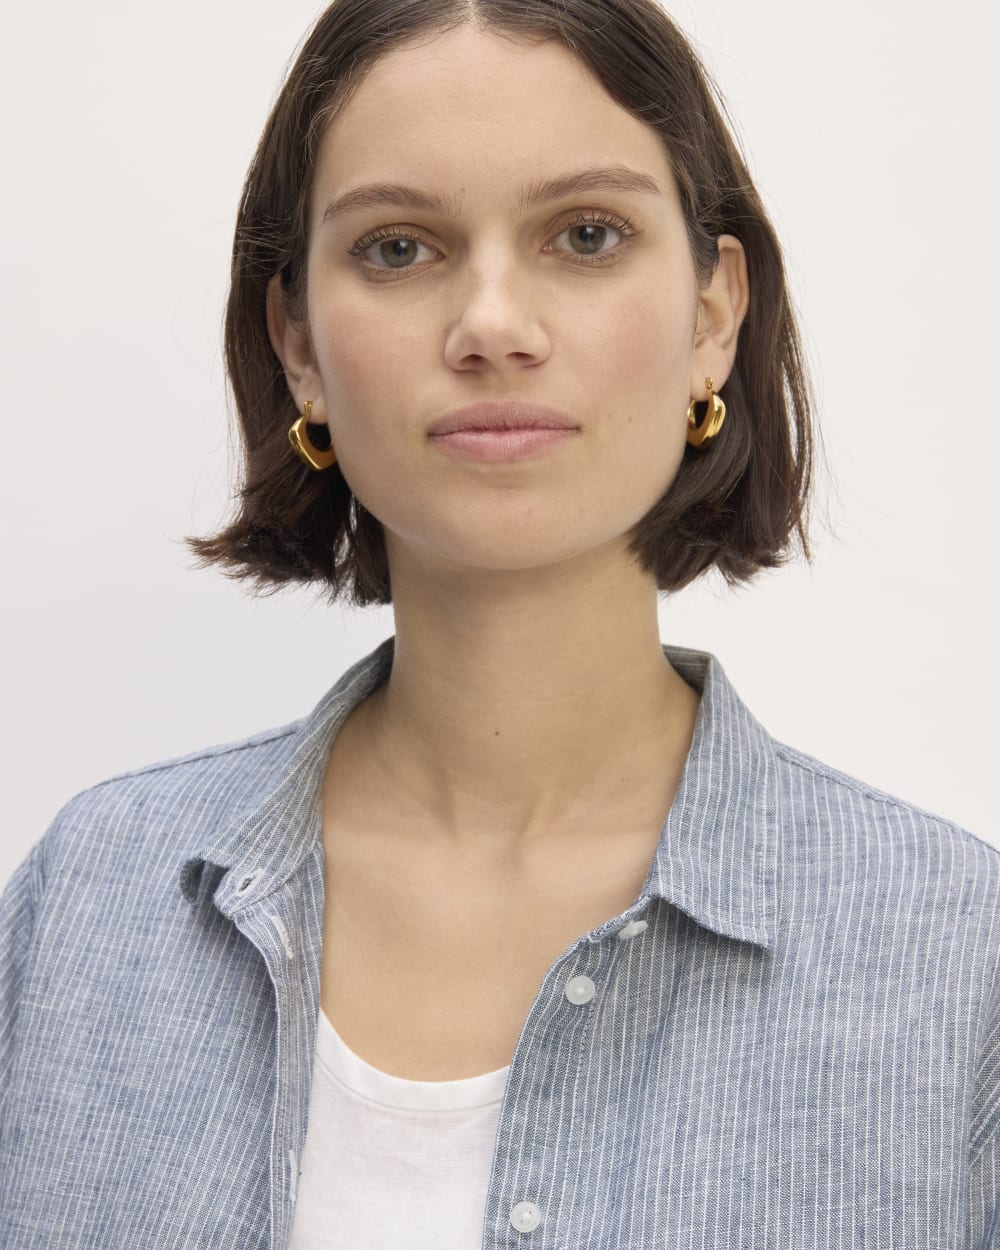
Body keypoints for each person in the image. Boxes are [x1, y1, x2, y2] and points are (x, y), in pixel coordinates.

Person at [1, 0, 996, 1246]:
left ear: (712, 316)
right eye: (397, 248)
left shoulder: (955, 956)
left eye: (585, 234)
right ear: (297, 343)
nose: (492, 327)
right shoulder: (91, 901)